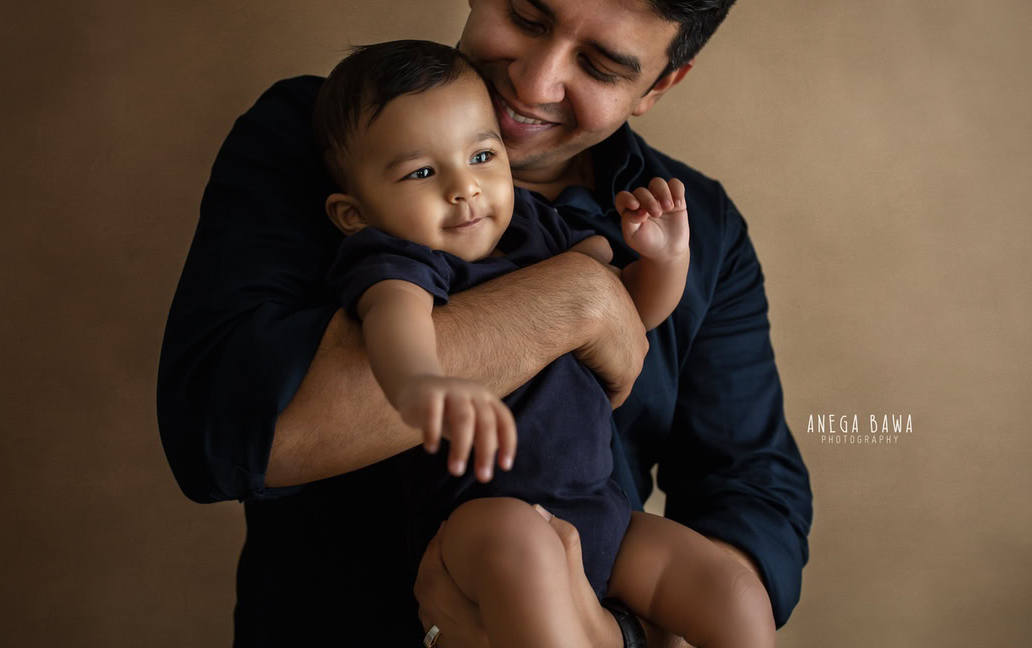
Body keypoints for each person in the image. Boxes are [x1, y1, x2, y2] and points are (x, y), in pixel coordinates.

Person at [157, 0, 812, 645]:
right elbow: (226, 434)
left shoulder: (694, 223)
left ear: (660, 85)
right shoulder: (323, 142)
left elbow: (752, 497)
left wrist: (612, 637)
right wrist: (571, 303)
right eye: (527, 18)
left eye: (600, 65)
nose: (534, 84)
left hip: (599, 566)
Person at [314, 38, 774, 648]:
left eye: (482, 156)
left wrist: (666, 261)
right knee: (527, 562)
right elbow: (394, 324)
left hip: (600, 509)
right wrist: (421, 383)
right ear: (354, 214)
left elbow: (627, 316)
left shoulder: (534, 227)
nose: (465, 188)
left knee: (733, 591)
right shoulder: (399, 257)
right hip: (483, 521)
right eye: (422, 172)